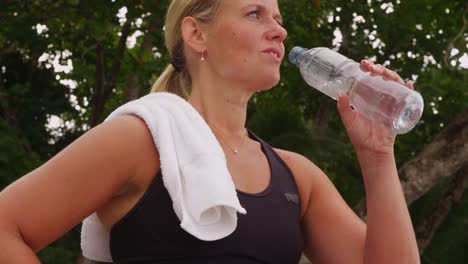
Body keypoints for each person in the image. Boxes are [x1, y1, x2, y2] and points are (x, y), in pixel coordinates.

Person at [0, 0, 420, 263]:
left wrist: (378, 154)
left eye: (278, 17)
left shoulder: (298, 176)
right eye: (255, 14)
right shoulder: (140, 140)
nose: (279, 29)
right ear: (197, 34)